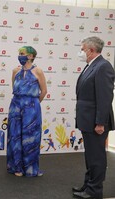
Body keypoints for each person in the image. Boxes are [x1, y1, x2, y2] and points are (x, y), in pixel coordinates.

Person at [73, 36, 115, 199]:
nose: (81, 52)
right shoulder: (91, 65)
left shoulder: (103, 67)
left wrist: (100, 122)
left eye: (82, 49)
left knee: (96, 157)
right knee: (90, 155)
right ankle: (88, 185)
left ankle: (94, 191)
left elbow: (104, 98)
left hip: (96, 122)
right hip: (87, 119)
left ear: (91, 50)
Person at [7, 46, 47, 177]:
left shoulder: (38, 71)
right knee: (15, 136)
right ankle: (17, 167)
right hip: (15, 106)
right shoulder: (15, 71)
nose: (20, 56)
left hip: (32, 108)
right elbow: (15, 88)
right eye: (19, 53)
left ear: (31, 56)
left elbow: (44, 91)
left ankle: (30, 168)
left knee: (31, 138)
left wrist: (33, 105)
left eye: (22, 53)